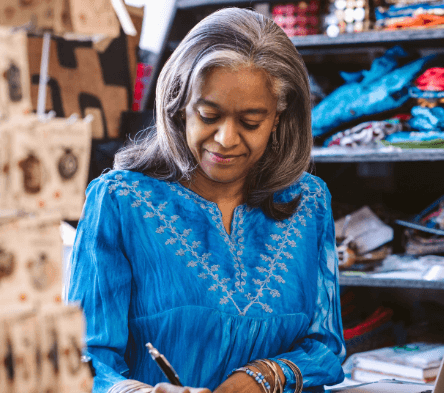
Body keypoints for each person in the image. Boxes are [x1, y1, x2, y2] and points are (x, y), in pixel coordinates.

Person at [67, 8, 346, 393]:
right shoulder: (119, 202)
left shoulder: (308, 203)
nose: (226, 139)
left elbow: (326, 348)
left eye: (251, 121)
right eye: (209, 115)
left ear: (279, 117)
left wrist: (263, 376)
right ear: (180, 106)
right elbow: (85, 358)